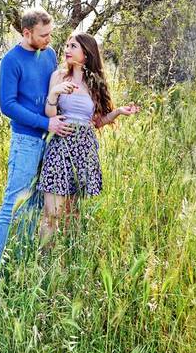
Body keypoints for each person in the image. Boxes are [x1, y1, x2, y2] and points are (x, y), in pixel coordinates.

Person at [0, 7, 72, 296]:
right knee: (13, 204)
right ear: (27, 32)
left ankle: (17, 264)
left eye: (50, 34)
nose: (48, 39)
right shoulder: (11, 61)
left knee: (33, 206)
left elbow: (52, 92)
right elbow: (8, 105)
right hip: (25, 142)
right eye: (43, 35)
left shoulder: (49, 54)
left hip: (50, 141)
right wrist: (45, 122)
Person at [37, 33, 139, 243]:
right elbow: (50, 114)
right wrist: (55, 93)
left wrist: (118, 111)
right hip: (60, 146)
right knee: (52, 212)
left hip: (84, 149)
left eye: (73, 46)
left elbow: (97, 121)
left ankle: (66, 260)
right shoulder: (58, 77)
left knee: (72, 213)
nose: (67, 49)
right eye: (66, 45)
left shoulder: (94, 82)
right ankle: (44, 260)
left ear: (86, 54)